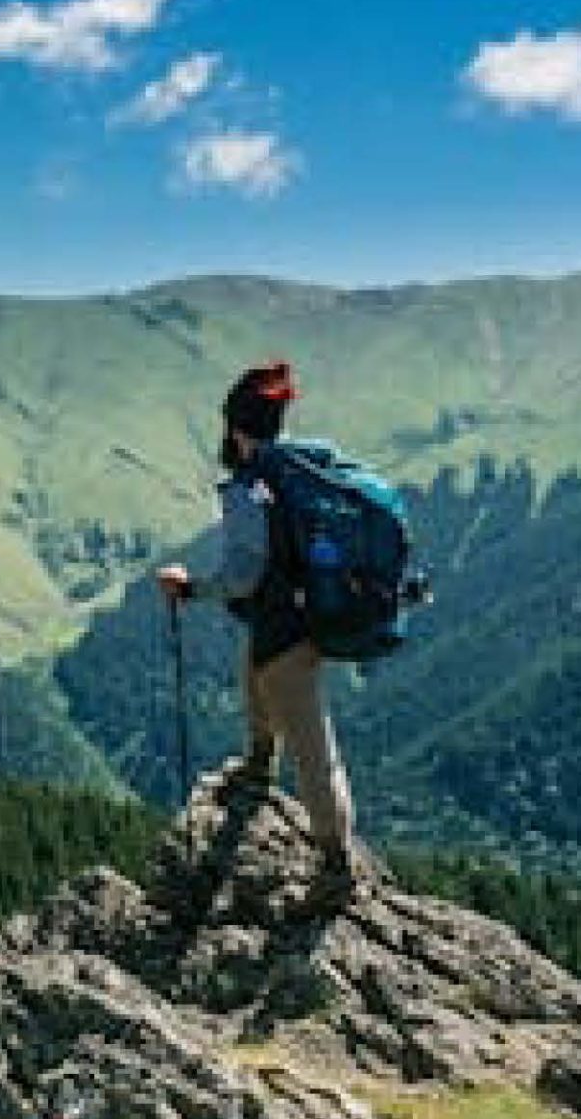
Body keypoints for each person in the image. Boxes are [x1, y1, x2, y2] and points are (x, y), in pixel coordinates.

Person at [157, 360, 364, 914]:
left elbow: (243, 576)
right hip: (299, 616)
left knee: (313, 749)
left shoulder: (251, 488)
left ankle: (337, 867)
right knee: (254, 676)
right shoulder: (296, 468)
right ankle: (257, 764)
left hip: (286, 630)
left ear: (235, 427)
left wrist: (191, 588)